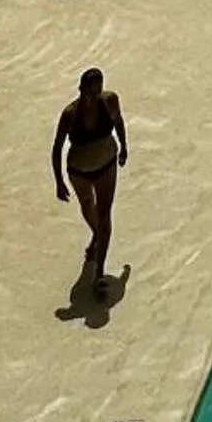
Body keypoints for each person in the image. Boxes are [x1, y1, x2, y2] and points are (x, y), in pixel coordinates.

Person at [52, 69, 127, 287]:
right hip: (79, 171)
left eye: (96, 91)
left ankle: (100, 271)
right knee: (87, 205)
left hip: (106, 166)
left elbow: (119, 121)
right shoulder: (70, 114)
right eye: (88, 92)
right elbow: (57, 147)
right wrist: (58, 180)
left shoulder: (110, 101)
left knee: (104, 215)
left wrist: (124, 147)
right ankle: (97, 234)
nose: (92, 97)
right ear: (81, 90)